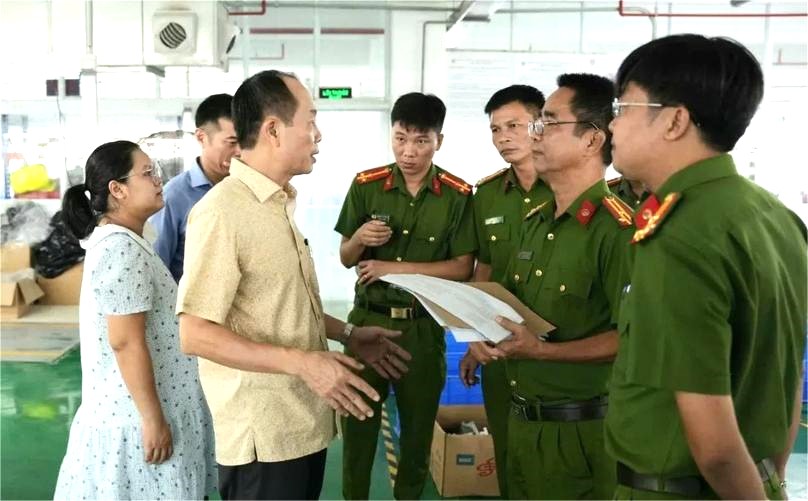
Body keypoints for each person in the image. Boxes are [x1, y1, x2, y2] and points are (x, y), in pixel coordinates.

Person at [176, 70, 411, 501]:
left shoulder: (277, 204)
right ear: (273, 130)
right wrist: (304, 363)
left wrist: (350, 334)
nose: (317, 135)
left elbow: (281, 303)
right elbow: (195, 333)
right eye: (310, 120)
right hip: (263, 441)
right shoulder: (223, 212)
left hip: (300, 425)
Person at [605, 34, 807, 500]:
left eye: (624, 108)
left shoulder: (679, 234)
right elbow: (784, 375)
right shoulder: (777, 219)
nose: (613, 126)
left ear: (674, 120)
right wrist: (769, 484)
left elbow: (714, 447)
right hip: (758, 481)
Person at [492, 73, 634, 499]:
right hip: (521, 424)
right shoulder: (536, 223)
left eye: (547, 123)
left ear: (592, 140)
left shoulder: (617, 230)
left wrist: (544, 351)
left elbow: (634, 339)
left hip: (580, 434)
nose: (534, 135)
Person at [54, 140, 217, 500]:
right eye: (147, 173)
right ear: (117, 190)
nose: (159, 180)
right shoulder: (120, 249)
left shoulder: (127, 241)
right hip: (135, 421)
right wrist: (153, 419)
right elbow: (125, 341)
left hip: (146, 410)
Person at [335, 92, 477, 499]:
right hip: (368, 325)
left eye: (420, 141)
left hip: (422, 330)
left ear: (439, 141)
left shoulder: (457, 195)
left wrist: (394, 268)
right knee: (358, 431)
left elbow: (462, 268)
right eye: (400, 139)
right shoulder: (367, 186)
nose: (408, 151)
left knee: (416, 436)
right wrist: (359, 238)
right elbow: (346, 258)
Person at [457, 84, 551, 498]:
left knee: (555, 462)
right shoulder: (488, 195)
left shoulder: (568, 190)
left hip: (556, 351)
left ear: (540, 125)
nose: (502, 137)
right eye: (495, 129)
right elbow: (485, 270)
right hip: (499, 348)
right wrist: (472, 337)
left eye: (513, 125)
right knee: (508, 454)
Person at [150, 93, 240, 282]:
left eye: (244, 142)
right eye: (231, 142)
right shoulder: (174, 197)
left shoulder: (246, 189)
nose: (239, 151)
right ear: (201, 137)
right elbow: (157, 270)